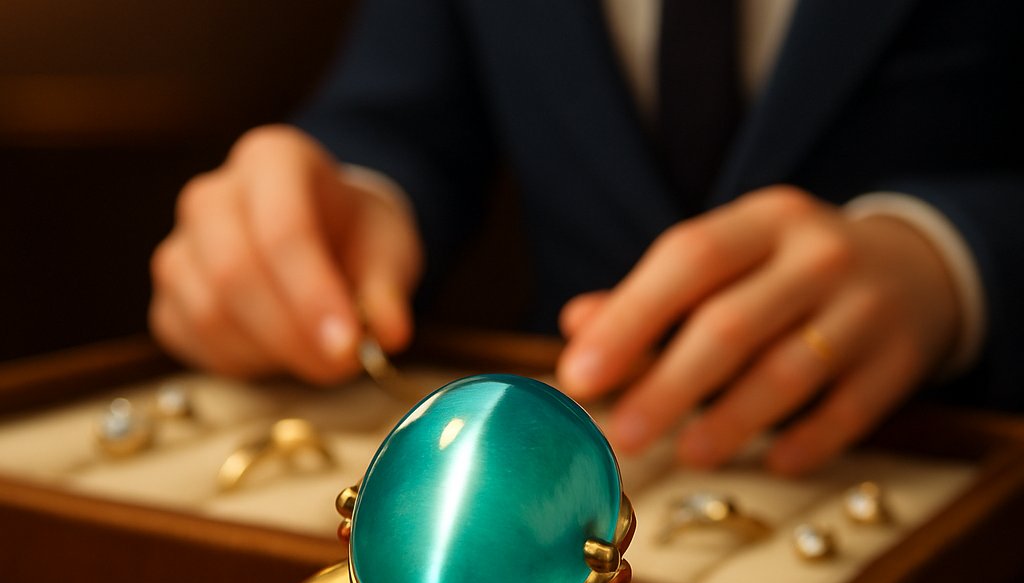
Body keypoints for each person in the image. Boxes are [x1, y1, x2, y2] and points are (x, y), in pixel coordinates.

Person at [149, 0, 1024, 475]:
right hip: (546, 471)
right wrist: (342, 201)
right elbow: (395, 116)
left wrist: (948, 260)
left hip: (941, 498)